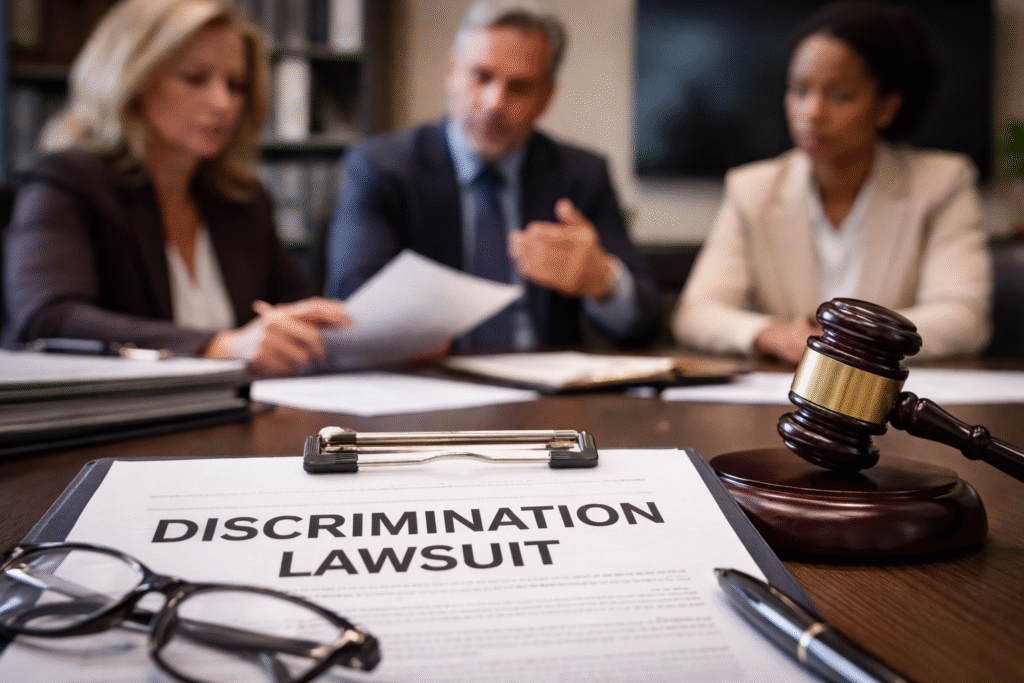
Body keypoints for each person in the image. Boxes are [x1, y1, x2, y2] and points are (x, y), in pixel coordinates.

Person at [2, 0, 349, 375]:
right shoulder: (68, 181)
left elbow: (291, 306)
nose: (223, 103)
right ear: (132, 80)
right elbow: (46, 318)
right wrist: (215, 346)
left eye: (236, 85)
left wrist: (333, 327)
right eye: (195, 78)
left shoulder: (242, 200)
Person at [325, 0, 662, 352]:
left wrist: (604, 282)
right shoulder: (382, 168)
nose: (493, 103)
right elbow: (353, 300)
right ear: (451, 72)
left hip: (548, 395)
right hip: (429, 382)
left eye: (518, 88)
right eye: (480, 76)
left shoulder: (580, 176)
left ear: (546, 98)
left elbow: (645, 323)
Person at [671, 1, 992, 364]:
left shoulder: (941, 183)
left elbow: (965, 320)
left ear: (886, 106)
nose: (811, 113)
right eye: (799, 90)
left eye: (839, 95)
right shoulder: (752, 188)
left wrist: (841, 340)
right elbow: (696, 313)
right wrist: (772, 335)